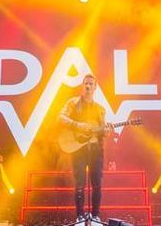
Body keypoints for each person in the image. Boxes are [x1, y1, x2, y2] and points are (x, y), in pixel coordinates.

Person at [58, 74, 106, 222]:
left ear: (95, 87)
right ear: (82, 85)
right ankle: (80, 216)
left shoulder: (100, 109)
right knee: (80, 183)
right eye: (86, 83)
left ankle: (95, 216)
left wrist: (106, 131)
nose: (88, 86)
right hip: (78, 148)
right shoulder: (73, 103)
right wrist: (78, 125)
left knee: (97, 184)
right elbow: (61, 117)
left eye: (91, 84)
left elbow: (102, 131)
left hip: (95, 149)